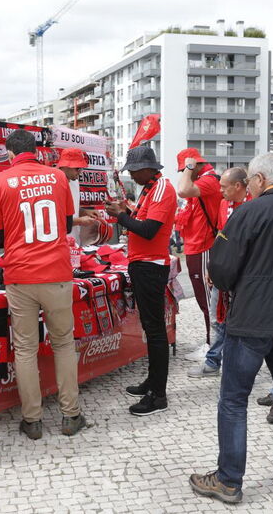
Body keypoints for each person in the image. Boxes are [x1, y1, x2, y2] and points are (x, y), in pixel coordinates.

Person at [189, 153, 273, 503]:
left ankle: (229, 480)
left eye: (250, 180)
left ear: (261, 179)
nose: (249, 186)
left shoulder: (247, 213)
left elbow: (221, 268)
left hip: (250, 321)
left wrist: (238, 286)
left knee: (233, 401)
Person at [0, 130, 86, 440]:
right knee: (63, 344)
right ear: (37, 151)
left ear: (9, 153)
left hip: (21, 275)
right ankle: (71, 415)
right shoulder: (58, 177)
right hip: (56, 272)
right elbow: (65, 225)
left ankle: (33, 420)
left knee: (25, 349)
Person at [105, 146, 177, 415]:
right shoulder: (151, 187)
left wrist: (121, 216)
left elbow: (148, 230)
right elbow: (143, 220)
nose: (132, 176)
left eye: (134, 171)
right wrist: (127, 211)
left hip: (150, 265)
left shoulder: (161, 189)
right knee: (150, 328)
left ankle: (158, 395)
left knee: (155, 331)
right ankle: (152, 381)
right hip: (143, 263)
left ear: (148, 168)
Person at [188, 167, 249, 379]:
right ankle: (213, 362)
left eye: (223, 187)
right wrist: (213, 266)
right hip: (224, 272)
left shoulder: (253, 205)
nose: (220, 191)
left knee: (241, 322)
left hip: (244, 275)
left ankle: (240, 366)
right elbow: (220, 236)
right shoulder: (223, 204)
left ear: (238, 186)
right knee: (217, 318)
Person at [176, 147, 223, 360]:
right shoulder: (205, 181)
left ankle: (213, 346)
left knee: (208, 300)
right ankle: (211, 342)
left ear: (195, 165)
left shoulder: (208, 180)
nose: (183, 174)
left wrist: (188, 167)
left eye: (184, 169)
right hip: (196, 245)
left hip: (204, 246)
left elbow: (183, 190)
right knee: (204, 299)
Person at [56, 147, 101, 241]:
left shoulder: (75, 182)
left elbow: (72, 209)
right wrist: (80, 221)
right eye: (77, 169)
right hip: (60, 240)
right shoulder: (54, 184)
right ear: (65, 166)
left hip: (75, 239)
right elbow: (56, 219)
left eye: (81, 169)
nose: (80, 172)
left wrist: (85, 212)